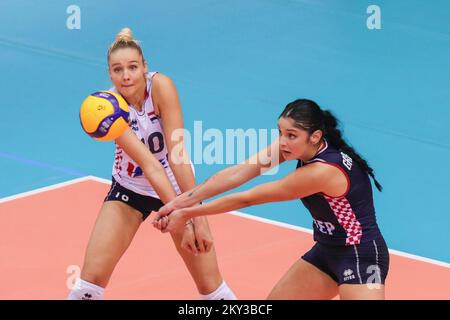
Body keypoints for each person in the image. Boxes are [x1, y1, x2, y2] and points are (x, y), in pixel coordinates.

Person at [153, 99, 389, 300]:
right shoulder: (297, 148)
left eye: (292, 135)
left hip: (361, 254)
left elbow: (247, 199)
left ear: (315, 136)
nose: (283, 141)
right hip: (327, 252)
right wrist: (176, 203)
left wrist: (186, 213)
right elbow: (239, 173)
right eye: (281, 133)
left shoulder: (321, 172)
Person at [68, 27, 236, 300]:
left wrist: (195, 218)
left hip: (177, 185)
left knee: (211, 287)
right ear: (109, 74)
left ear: (145, 67)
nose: (126, 75)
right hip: (130, 190)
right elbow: (149, 164)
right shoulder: (108, 106)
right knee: (90, 281)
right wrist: (180, 217)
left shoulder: (161, 86)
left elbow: (176, 156)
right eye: (117, 69)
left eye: (133, 67)